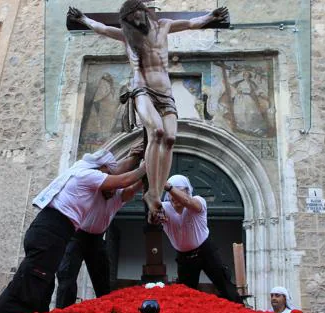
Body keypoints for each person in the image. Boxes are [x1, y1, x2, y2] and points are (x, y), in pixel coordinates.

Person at [67, 1, 229, 218]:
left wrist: (211, 16)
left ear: (144, 12)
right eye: (130, 18)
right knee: (157, 132)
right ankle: (152, 193)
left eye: (137, 14)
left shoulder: (164, 25)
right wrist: (83, 19)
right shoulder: (127, 36)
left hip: (165, 92)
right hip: (142, 89)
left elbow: (191, 23)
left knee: (170, 138)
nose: (135, 20)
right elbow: (102, 29)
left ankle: (156, 192)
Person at [0, 149, 146, 313]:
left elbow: (121, 180)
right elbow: (122, 180)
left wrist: (134, 158)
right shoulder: (87, 175)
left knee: (43, 288)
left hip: (54, 233)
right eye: (107, 173)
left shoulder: (81, 170)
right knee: (27, 289)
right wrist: (145, 167)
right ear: (100, 167)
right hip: (52, 232)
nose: (108, 179)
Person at [55, 145, 145, 308]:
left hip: (96, 240)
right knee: (66, 277)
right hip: (77, 236)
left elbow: (131, 187)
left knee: (103, 283)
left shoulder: (118, 196)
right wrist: (137, 163)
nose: (111, 190)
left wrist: (146, 172)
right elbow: (114, 174)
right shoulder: (94, 186)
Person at [153, 174, 241, 303]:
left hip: (206, 251)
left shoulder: (198, 201)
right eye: (172, 194)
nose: (174, 196)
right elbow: (153, 213)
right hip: (184, 257)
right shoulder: (165, 208)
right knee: (185, 296)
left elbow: (187, 202)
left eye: (178, 191)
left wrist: (169, 186)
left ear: (187, 191)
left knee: (225, 287)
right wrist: (153, 215)